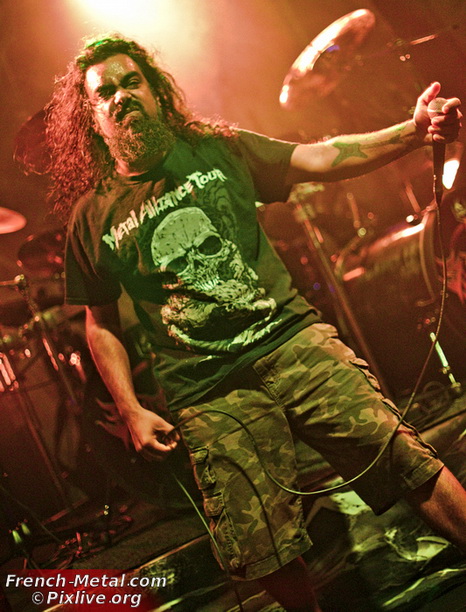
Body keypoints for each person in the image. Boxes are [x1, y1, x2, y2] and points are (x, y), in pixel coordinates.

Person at [47, 34, 465, 612]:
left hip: (293, 342)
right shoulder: (92, 215)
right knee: (261, 545)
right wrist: (130, 408)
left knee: (404, 459)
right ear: (92, 118)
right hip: (207, 391)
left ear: (155, 91)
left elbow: (322, 157)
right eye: (104, 93)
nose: (120, 96)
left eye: (130, 81)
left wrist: (413, 131)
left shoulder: (216, 149)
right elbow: (100, 325)